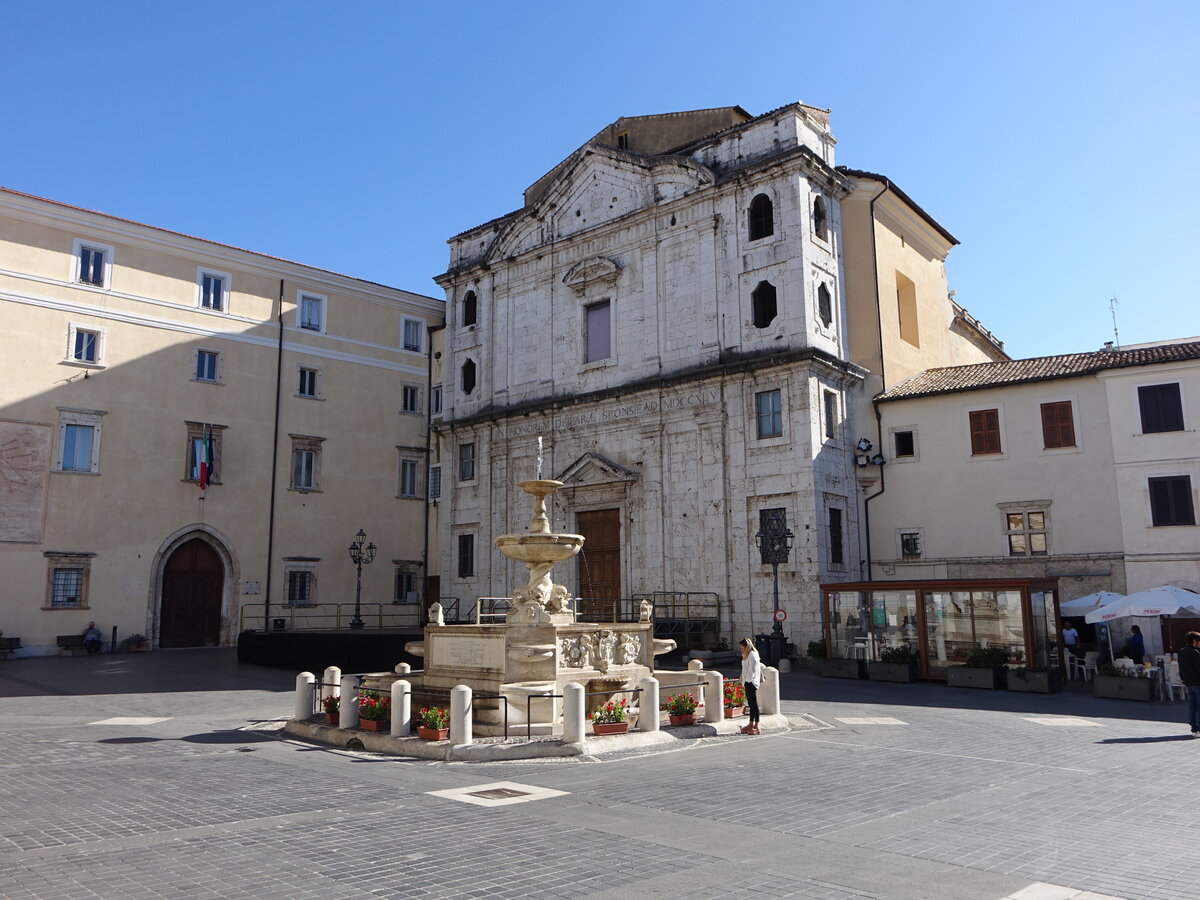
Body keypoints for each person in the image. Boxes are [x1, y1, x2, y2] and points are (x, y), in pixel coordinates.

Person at [738, 636, 763, 735]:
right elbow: (745, 668)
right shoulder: (747, 655)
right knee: (751, 704)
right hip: (747, 682)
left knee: (754, 704)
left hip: (751, 682)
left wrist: (748, 681)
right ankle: (751, 723)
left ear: (747, 647)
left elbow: (751, 671)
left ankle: (756, 726)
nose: (742, 650)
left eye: (743, 648)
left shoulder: (752, 655)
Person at [1179, 631, 1200, 737]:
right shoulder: (1195, 653)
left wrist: (1184, 681)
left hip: (1188, 683)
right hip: (1197, 683)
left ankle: (1194, 728)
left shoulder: (1181, 652)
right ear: (1194, 641)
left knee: (1192, 707)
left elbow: (1181, 669)